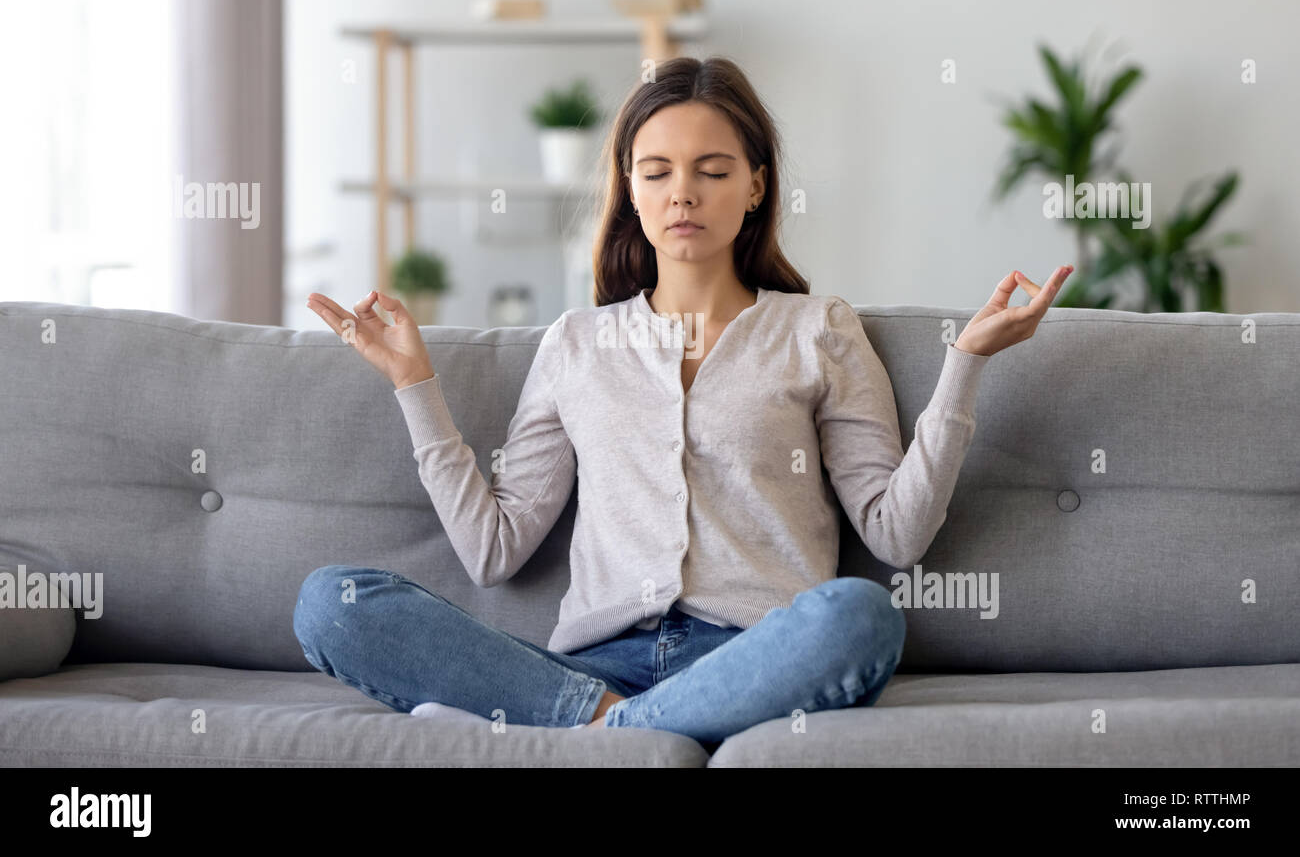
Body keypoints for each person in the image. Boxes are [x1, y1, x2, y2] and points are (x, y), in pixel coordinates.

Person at [294, 55, 1072, 745]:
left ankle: (601, 738)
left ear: (756, 183)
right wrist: (414, 385)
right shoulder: (575, 344)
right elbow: (493, 552)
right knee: (333, 603)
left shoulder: (817, 329)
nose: (683, 194)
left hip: (755, 658)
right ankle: (612, 724)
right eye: (657, 170)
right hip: (589, 665)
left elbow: (897, 535)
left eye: (713, 169)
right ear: (630, 188)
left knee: (860, 618)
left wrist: (965, 364)